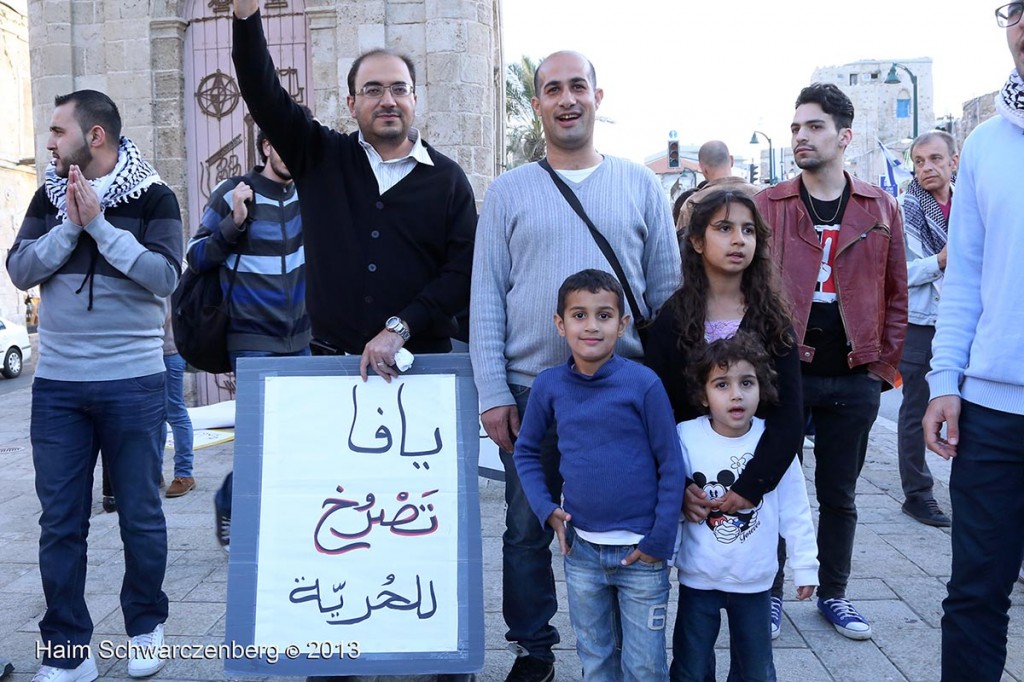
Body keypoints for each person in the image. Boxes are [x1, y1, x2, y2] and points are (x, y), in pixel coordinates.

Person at [470, 50, 680, 681]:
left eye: (577, 87)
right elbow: (486, 297)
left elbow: (666, 296)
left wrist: (668, 393)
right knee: (527, 528)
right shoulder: (508, 191)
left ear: (598, 97)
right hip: (533, 390)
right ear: (536, 105)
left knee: (621, 518)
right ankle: (533, 649)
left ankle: (619, 645)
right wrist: (491, 389)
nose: (567, 99)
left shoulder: (640, 184)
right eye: (552, 89)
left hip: (622, 393)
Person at [6, 89, 181, 680]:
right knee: (60, 521)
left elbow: (164, 276)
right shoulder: (46, 196)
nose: (49, 142)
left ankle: (146, 630)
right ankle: (67, 651)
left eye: (57, 131)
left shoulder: (155, 196)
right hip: (57, 387)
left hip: (134, 382)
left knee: (140, 513)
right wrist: (69, 229)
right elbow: (20, 267)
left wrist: (101, 227)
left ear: (95, 136)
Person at [230, 0, 475, 386]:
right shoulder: (320, 156)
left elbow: (461, 272)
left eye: (399, 89)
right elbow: (264, 95)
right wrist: (246, 18)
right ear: (351, 103)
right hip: (333, 370)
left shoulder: (447, 179)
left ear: (414, 99)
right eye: (372, 90)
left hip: (425, 372)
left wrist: (400, 328)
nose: (388, 100)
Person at [754, 83, 907, 640]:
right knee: (770, 483)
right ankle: (767, 593)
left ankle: (834, 594)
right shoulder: (769, 204)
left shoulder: (877, 205)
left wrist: (880, 368)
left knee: (838, 494)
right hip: (785, 372)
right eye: (795, 127)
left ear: (844, 136)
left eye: (813, 126)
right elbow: (747, 287)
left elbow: (896, 294)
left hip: (853, 373)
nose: (801, 136)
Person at [644, 188, 803, 646]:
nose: (739, 240)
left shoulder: (773, 319)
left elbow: (790, 417)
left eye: (749, 230)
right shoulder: (674, 320)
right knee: (696, 628)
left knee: (751, 635)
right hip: (696, 493)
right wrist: (679, 487)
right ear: (696, 241)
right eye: (724, 228)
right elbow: (660, 417)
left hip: (756, 486)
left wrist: (751, 487)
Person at [514, 269, 684, 681]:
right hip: (582, 552)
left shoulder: (643, 384)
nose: (592, 326)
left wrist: (660, 539)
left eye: (604, 315)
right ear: (560, 324)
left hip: (641, 554)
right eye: (579, 315)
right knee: (596, 659)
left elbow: (671, 463)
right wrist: (545, 508)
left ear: (622, 324)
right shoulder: (549, 385)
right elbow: (527, 451)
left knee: (644, 666)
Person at [922, 4, 1024, 678]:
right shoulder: (987, 143)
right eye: (1017, 9)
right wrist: (944, 382)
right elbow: (965, 282)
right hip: (993, 414)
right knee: (975, 596)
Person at [185, 125, 311, 551]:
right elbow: (196, 255)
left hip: (303, 338)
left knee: (299, 437)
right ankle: (230, 500)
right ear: (266, 146)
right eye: (285, 143)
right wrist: (234, 223)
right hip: (251, 338)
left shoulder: (310, 193)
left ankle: (284, 522)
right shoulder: (233, 191)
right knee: (261, 437)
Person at [671, 332, 817, 682]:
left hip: (754, 580)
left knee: (755, 670)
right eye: (721, 384)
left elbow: (796, 510)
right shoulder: (685, 436)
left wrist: (806, 566)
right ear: (703, 396)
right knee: (690, 667)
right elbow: (669, 497)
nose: (736, 394)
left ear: (761, 389)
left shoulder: (773, 444)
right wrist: (662, 556)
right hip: (697, 577)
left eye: (746, 382)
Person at [896, 130, 958, 528]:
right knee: (916, 409)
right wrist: (939, 260)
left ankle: (971, 490)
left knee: (968, 408)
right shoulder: (905, 209)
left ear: (954, 161)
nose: (927, 168)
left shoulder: (971, 204)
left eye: (935, 159)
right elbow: (896, 275)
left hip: (964, 319)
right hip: (920, 323)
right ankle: (917, 494)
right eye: (919, 162)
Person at [676, 140, 757, 232]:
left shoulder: (693, 203)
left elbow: (681, 242)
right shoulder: (760, 194)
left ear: (703, 168)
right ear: (731, 160)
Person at [162, 313, 196, 498]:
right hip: (147, 352)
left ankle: (184, 474)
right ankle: (154, 471)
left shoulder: (170, 282)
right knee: (154, 415)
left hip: (169, 349)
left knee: (175, 412)